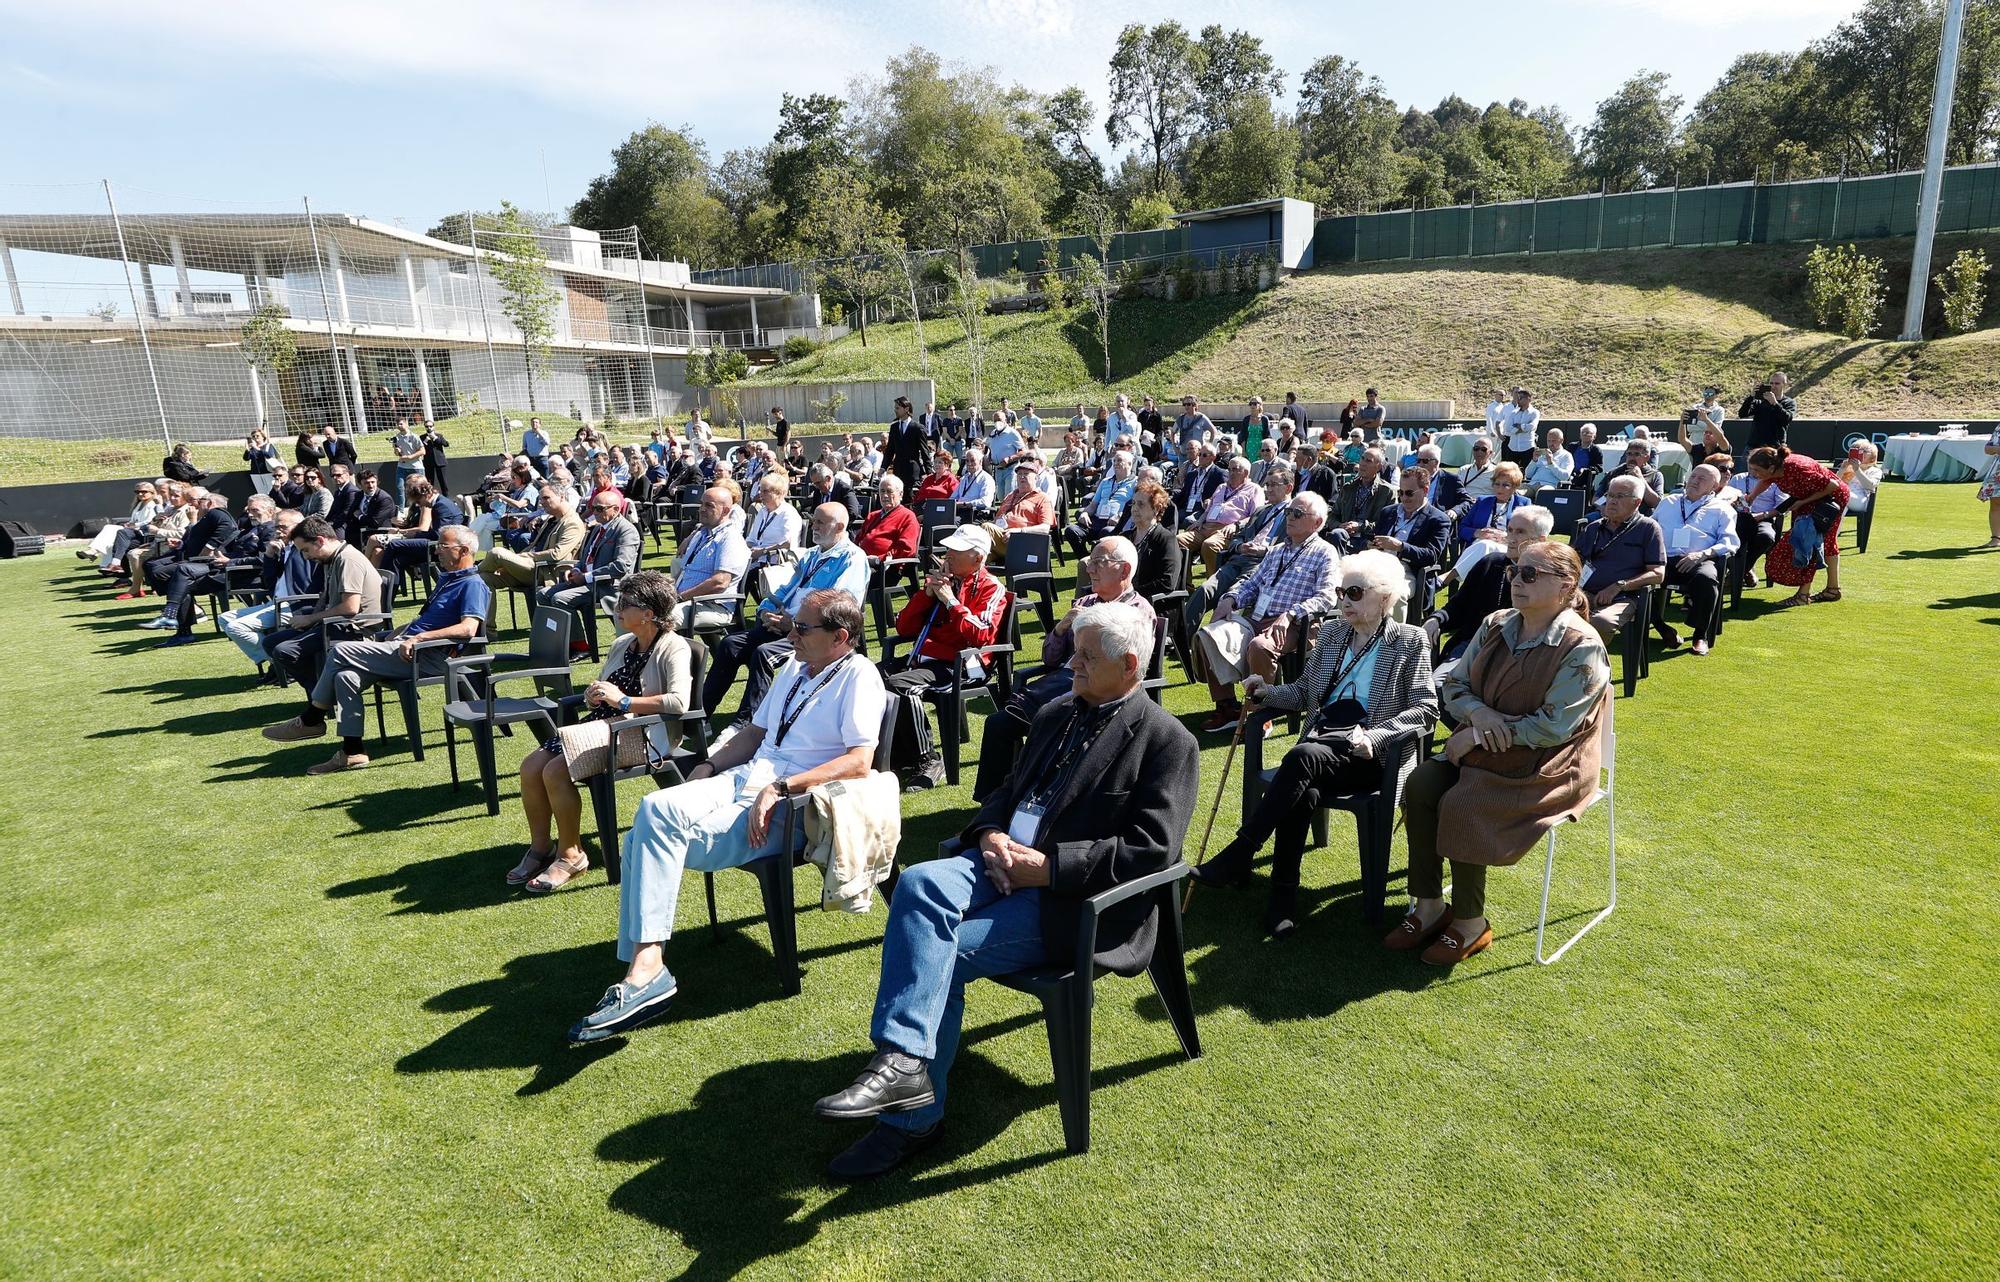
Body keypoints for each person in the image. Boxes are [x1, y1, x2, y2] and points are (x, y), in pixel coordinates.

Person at [814, 602, 1196, 1180]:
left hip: (1069, 900)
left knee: (944, 950)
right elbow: (1003, 792)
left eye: (1087, 657)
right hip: (997, 864)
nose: (1073, 664)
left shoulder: (1167, 741)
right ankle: (905, 1063)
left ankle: (910, 1121)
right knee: (918, 882)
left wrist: (1047, 868)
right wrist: (991, 834)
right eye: (1075, 652)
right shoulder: (1056, 712)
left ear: (1130, 663)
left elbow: (1152, 848)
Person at [571, 589, 885, 1045]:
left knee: (649, 835)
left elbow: (860, 761)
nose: (790, 632)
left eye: (802, 627)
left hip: (791, 806)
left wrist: (782, 788)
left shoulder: (858, 676)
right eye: (794, 624)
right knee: (654, 808)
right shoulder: (796, 669)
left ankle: (644, 968)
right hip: (746, 778)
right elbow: (757, 733)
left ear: (840, 636)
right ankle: (648, 964)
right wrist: (709, 765)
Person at [1191, 550, 1439, 936]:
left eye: (1355, 593)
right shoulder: (1334, 633)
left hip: (1372, 757)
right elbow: (1305, 692)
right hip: (1324, 748)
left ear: (1385, 598)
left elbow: (1426, 708)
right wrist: (1266, 691)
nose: (1344, 602)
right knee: (1303, 790)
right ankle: (1281, 901)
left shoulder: (1410, 641)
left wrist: (1375, 736)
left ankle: (1241, 852)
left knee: (1302, 757)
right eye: (1342, 592)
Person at [1399, 540, 1616, 971]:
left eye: (1531, 574)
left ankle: (1469, 922)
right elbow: (1455, 687)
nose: (1517, 580)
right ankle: (1428, 906)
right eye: (1515, 570)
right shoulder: (1496, 623)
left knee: (1462, 801)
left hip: (1552, 763)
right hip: (1486, 748)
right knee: (1421, 784)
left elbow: (1554, 727)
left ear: (1567, 585)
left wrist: (1475, 736)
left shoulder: (1581, 644)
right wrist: (1479, 717)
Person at [510, 571, 693, 893]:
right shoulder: (624, 642)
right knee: (530, 766)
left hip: (641, 732)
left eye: (626, 603)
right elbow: (605, 686)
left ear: (649, 614)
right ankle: (541, 847)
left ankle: (571, 856)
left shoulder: (674, 647)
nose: (617, 608)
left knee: (555, 771)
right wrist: (592, 694)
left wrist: (623, 700)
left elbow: (679, 701)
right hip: (601, 725)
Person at [260, 525, 490, 773]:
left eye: (442, 547)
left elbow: (468, 629)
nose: (436, 552)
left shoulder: (472, 584)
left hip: (429, 657)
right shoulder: (449, 580)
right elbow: (428, 620)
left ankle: (312, 719)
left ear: (463, 550)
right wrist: (401, 632)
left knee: (341, 651)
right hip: (408, 650)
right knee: (346, 676)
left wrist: (419, 638)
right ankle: (353, 752)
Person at [974, 536, 1154, 801]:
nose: (1090, 569)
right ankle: (992, 801)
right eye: (1090, 562)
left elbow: (1129, 671)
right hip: (1064, 684)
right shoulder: (1086, 602)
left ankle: (1030, 795)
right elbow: (1049, 657)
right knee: (999, 724)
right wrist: (1061, 627)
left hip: (1097, 693)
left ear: (1124, 570)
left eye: (1099, 563)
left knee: (1042, 724)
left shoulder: (1138, 612)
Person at [706, 503, 870, 725]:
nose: (814, 527)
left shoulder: (852, 558)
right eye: (814, 521)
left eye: (821, 522)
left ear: (839, 526)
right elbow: (786, 590)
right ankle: (698, 717)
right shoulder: (812, 555)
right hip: (786, 625)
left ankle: (744, 724)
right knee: (730, 644)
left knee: (763, 653)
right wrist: (765, 611)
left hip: (813, 634)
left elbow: (837, 609)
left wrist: (793, 624)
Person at [1196, 491, 1339, 734]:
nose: (1289, 517)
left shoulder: (1324, 552)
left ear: (1317, 522)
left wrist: (1291, 614)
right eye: (1288, 512)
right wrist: (1230, 599)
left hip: (1297, 626)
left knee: (1260, 646)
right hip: (1258, 617)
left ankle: (1259, 715)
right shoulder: (1277, 550)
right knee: (1206, 636)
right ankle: (1228, 706)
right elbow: (1252, 584)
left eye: (1297, 513)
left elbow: (1328, 596)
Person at [886, 525, 1007, 789]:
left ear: (978, 558)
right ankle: (895, 756)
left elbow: (982, 636)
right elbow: (904, 628)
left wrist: (951, 601)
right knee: (867, 676)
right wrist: (927, 595)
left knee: (900, 687)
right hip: (926, 657)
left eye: (957, 551)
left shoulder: (991, 587)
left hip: (962, 664)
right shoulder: (944, 582)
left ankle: (929, 758)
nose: (948, 555)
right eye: (949, 548)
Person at [260, 515, 388, 695]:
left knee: (284, 651)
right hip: (335, 624)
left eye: (305, 550)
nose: (305, 556)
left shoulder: (348, 560)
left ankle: (321, 696)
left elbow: (350, 608)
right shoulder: (332, 559)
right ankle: (322, 691)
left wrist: (310, 618)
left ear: (320, 541)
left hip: (355, 630)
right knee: (270, 642)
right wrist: (311, 618)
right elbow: (325, 596)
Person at [1425, 506, 1552, 667]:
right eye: (1510, 530)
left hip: (1517, 659)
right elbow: (1459, 605)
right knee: (1438, 686)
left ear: (1540, 540)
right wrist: (1436, 620)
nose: (1511, 538)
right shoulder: (1491, 563)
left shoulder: (1549, 579)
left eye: (1520, 532)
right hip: (1470, 648)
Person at [1183, 465, 1292, 646]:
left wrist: (1264, 550)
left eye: (1274, 485)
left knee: (1230, 598)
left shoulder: (1294, 514)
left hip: (1263, 565)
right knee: (1204, 590)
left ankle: (1210, 645)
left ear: (1288, 487)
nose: (1268, 489)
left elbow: (1291, 546)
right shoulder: (1260, 511)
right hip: (1238, 560)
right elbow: (1238, 537)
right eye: (1267, 485)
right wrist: (1240, 546)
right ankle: (1181, 642)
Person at [1650, 464, 1740, 655]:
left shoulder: (1722, 509)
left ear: (1714, 486)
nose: (1695, 481)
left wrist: (1702, 554)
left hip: (1699, 559)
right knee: (1634, 577)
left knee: (1707, 579)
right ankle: (1662, 627)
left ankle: (1700, 634)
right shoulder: (1669, 501)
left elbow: (1730, 541)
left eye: (1702, 479)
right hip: (1663, 558)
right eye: (1693, 476)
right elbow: (1650, 528)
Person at [1744, 445, 1848, 607]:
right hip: (1808, 499)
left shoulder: (1797, 469)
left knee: (1808, 543)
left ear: (1771, 467)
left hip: (1829, 501)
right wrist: (1751, 497)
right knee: (1825, 543)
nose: (1754, 474)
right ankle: (1833, 589)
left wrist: (1802, 502)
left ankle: (1803, 595)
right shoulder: (1776, 468)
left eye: (1756, 470)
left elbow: (1833, 485)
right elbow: (1766, 480)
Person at [1571, 474, 1666, 647]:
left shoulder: (1648, 528)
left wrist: (1619, 585)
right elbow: (1572, 562)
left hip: (1624, 597)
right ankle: (1559, 664)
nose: (1612, 501)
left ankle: (1590, 667)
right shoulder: (1594, 527)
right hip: (1585, 593)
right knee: (1555, 612)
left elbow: (1658, 574)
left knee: (1601, 622)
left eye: (1620, 497)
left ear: (1637, 503)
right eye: (1610, 495)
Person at [539, 494, 640, 646]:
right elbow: (585, 558)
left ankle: (579, 646)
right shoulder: (597, 529)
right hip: (588, 581)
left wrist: (586, 577)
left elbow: (621, 566)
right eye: (592, 508)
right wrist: (574, 569)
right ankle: (560, 642)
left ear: (616, 509)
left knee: (559, 599)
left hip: (607, 585)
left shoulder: (626, 530)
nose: (595, 512)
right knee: (542, 595)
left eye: (600, 509)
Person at [137, 490, 243, 633]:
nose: (198, 504)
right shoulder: (207, 517)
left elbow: (228, 526)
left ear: (210, 502)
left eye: (201, 501)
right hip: (194, 559)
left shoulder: (216, 512)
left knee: (162, 573)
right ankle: (177, 618)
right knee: (152, 566)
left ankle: (175, 617)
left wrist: (209, 547)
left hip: (205, 563)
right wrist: (182, 544)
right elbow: (197, 539)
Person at [668, 486, 751, 632]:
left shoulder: (730, 538)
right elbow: (683, 571)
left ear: (725, 511)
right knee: (633, 608)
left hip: (712, 606)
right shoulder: (701, 534)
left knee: (654, 618)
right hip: (688, 602)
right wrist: (664, 590)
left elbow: (720, 582)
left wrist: (680, 597)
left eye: (709, 505)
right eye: (701, 504)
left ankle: (649, 654)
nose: (701, 509)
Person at [1369, 474, 1452, 613]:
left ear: (1425, 490)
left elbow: (1431, 556)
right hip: (1378, 566)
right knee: (1350, 586)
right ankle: (1352, 632)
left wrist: (1401, 547)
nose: (1404, 498)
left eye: (1409, 493)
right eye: (1400, 492)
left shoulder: (1438, 519)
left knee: (1395, 595)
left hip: (1410, 571)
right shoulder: (1388, 511)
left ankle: (1396, 634)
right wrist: (1373, 546)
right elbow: (1376, 538)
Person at [479, 487, 584, 594]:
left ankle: (469, 572)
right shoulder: (551, 519)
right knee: (484, 578)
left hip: (544, 571)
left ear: (561, 497)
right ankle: (474, 609)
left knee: (496, 552)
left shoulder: (572, 523)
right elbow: (534, 545)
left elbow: (557, 554)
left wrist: (522, 556)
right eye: (541, 499)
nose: (541, 503)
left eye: (546, 498)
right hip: (530, 567)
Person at [1179, 454, 1260, 573]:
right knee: (1178, 540)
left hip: (1227, 530)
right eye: (1229, 469)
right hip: (1206, 526)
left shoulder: (1254, 489)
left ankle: (1212, 585)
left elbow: (1256, 515)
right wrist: (1199, 521)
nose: (1230, 473)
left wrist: (1236, 525)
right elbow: (1209, 509)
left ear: (1246, 473)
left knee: (1210, 545)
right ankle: (1186, 584)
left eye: (1235, 469)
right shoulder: (1221, 487)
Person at [1063, 450, 1135, 556]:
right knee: (1071, 530)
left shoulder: (1135, 483)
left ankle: (1098, 562)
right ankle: (1086, 559)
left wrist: (1120, 517)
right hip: (1096, 520)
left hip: (1116, 523)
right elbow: (1093, 505)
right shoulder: (1106, 481)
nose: (1115, 463)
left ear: (1129, 464)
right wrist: (1085, 513)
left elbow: (1135, 507)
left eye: (1119, 461)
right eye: (1114, 461)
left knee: (1106, 532)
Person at [981, 457, 1054, 554]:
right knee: (974, 549)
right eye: (1019, 474)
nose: (1022, 477)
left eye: (1026, 474)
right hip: (1001, 538)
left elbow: (1045, 528)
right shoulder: (1010, 496)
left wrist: (1018, 531)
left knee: (986, 528)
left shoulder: (1043, 498)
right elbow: (997, 521)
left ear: (1036, 478)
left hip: (1023, 542)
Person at [83, 482, 163, 570]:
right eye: (137, 492)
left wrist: (134, 525)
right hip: (133, 530)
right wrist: (129, 523)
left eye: (144, 491)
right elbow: (134, 520)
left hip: (143, 533)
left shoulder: (153, 504)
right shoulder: (139, 504)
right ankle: (105, 564)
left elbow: (151, 521)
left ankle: (94, 552)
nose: (140, 494)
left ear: (152, 492)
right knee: (111, 537)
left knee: (110, 528)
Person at [1124, 479, 1181, 600]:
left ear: (1156, 508)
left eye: (1141, 504)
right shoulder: (1125, 537)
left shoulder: (1166, 539)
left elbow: (1167, 582)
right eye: (1133, 503)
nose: (1134, 508)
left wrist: (1131, 594)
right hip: (1121, 599)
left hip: (1150, 605)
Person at [1330, 447, 1396, 549]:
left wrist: (1360, 526)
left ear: (1378, 467)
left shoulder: (1387, 491)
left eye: (1369, 461)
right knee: (1336, 534)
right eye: (1362, 458)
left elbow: (1387, 524)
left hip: (1369, 541)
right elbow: (1332, 515)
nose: (1363, 463)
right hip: (1344, 536)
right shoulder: (1348, 488)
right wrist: (1339, 525)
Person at [1451, 461, 1529, 545]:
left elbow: (1528, 533)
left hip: (1506, 547)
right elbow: (1462, 528)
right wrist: (1477, 533)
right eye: (1497, 484)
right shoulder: (1482, 501)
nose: (1500, 488)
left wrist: (1506, 535)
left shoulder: (1523, 504)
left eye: (1505, 485)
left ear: (1514, 487)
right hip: (1479, 545)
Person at [856, 474, 920, 562]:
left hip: (885, 566)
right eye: (882, 491)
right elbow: (858, 540)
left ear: (900, 494)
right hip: (861, 561)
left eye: (889, 491)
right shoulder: (872, 516)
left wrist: (879, 559)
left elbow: (906, 549)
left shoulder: (908, 517)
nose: (885, 495)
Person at [1594, 438, 1665, 513]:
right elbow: (1597, 498)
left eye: (1637, 454)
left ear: (1646, 457)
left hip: (1641, 516)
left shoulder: (1655, 475)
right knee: (1590, 518)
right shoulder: (1615, 472)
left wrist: (1641, 479)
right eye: (1629, 454)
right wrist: (1603, 508)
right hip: (1611, 514)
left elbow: (1657, 503)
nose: (1632, 458)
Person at [882, 395, 928, 497]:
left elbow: (925, 451)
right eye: (895, 408)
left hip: (912, 471)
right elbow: (890, 450)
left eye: (898, 408)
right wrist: (883, 467)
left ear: (906, 409)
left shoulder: (918, 428)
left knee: (910, 498)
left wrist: (928, 472)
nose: (895, 410)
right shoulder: (894, 427)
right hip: (898, 469)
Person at [1171, 442, 1226, 526]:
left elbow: (1223, 494)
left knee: (1188, 520)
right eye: (1199, 454)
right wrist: (1169, 496)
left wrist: (1211, 500)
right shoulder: (1191, 474)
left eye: (1204, 455)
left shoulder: (1219, 474)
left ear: (1213, 457)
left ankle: (1186, 538)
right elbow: (1183, 493)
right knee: (1169, 513)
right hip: (1187, 505)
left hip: (1203, 508)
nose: (1200, 457)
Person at [1737, 371, 1795, 450]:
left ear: (1784, 385)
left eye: (1777, 383)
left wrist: (1775, 404)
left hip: (1775, 446)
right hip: (1754, 446)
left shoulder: (1789, 402)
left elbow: (1787, 419)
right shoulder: (1760, 401)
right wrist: (1751, 397)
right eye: (1771, 383)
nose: (1773, 386)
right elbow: (1742, 414)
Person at [948, 448, 997, 521]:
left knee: (950, 522)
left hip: (976, 514)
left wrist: (965, 504)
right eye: (967, 461)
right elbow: (952, 498)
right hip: (959, 512)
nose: (969, 463)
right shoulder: (964, 478)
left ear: (980, 462)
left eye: (972, 460)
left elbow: (985, 502)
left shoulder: (986, 479)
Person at [1522, 427, 1576, 492]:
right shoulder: (1541, 453)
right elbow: (1528, 474)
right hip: (1532, 484)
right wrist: (1534, 460)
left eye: (1553, 441)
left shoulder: (1566, 456)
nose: (1550, 444)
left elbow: (1565, 477)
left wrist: (1551, 463)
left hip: (1549, 485)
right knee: (1515, 492)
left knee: (1542, 493)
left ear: (1561, 440)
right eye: (1549, 441)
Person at [1839, 440, 1884, 515]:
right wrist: (1842, 469)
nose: (1861, 453)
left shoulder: (1875, 471)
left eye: (1865, 451)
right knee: (1839, 505)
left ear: (1872, 454)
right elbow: (1835, 483)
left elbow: (1870, 486)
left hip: (1861, 500)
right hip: (1843, 497)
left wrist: (1857, 470)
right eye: (1856, 450)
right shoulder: (1847, 466)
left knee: (1841, 494)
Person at [1499, 388, 1540, 467]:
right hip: (1512, 448)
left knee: (1526, 472)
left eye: (1520, 398)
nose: (1518, 400)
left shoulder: (1534, 412)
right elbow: (1508, 428)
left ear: (1528, 399)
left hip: (1527, 448)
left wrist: (1519, 426)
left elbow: (1532, 426)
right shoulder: (1513, 412)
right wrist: (1521, 429)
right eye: (1517, 397)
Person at [389, 421, 423, 505]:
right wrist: (397, 451)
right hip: (402, 467)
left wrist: (409, 457)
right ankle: (400, 510)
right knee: (399, 487)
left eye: (401, 424)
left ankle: (421, 507)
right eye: (397, 424)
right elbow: (396, 453)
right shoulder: (396, 438)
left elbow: (423, 451)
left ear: (406, 424)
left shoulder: (414, 436)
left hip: (416, 467)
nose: (399, 426)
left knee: (419, 488)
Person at [243, 429, 281, 495]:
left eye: (257, 436)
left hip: (268, 472)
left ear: (263, 437)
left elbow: (269, 455)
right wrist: (247, 450)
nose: (255, 438)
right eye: (253, 436)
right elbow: (246, 458)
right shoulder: (252, 448)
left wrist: (257, 448)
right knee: (261, 494)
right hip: (256, 473)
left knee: (272, 492)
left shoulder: (268, 446)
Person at [420, 420, 451, 494]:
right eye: (427, 426)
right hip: (428, 462)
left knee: (443, 482)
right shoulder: (422, 437)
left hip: (440, 462)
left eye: (431, 426)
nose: (429, 428)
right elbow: (419, 448)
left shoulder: (439, 435)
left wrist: (435, 438)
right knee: (429, 483)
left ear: (433, 427)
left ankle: (446, 498)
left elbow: (446, 444)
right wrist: (425, 441)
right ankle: (430, 499)